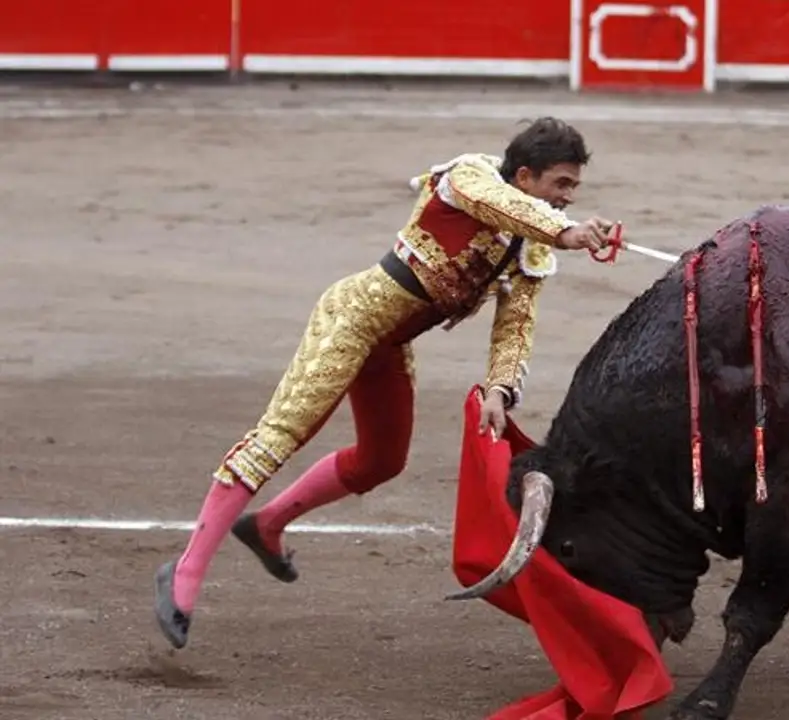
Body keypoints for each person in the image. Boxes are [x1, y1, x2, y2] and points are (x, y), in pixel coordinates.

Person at [154, 117, 614, 650]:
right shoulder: (471, 178)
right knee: (279, 436)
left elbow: (516, 326)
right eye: (561, 185)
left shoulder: (533, 247)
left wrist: (498, 389)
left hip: (390, 344)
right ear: (527, 175)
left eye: (573, 189)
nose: (567, 199)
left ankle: (267, 525)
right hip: (352, 318)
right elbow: (505, 208)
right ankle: (184, 574)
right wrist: (566, 231)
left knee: (382, 460)